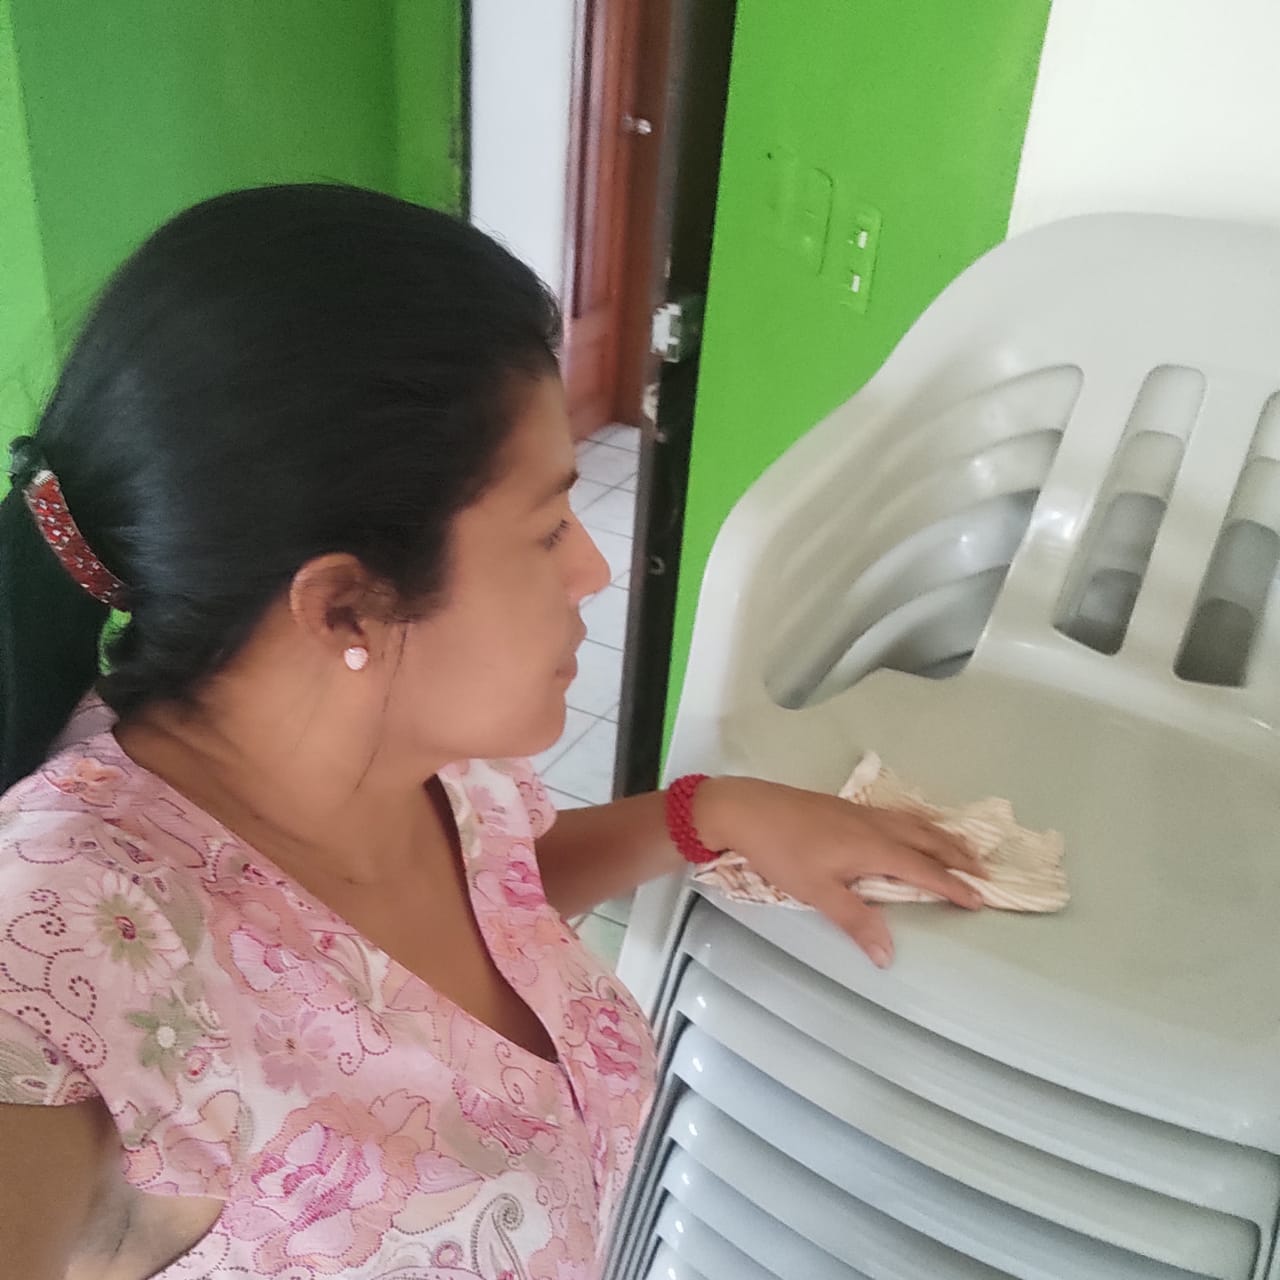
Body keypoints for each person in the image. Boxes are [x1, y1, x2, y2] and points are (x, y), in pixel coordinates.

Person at [0, 184, 983, 1280]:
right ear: (346, 608)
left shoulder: (412, 757)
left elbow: (485, 905)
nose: (592, 568)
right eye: (549, 526)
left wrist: (706, 813)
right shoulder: (70, 930)